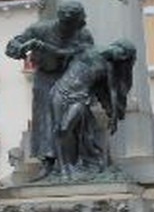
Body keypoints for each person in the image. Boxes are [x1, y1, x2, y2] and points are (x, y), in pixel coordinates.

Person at [5, 1, 94, 177]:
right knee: (44, 118)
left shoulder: (83, 34)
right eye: (66, 24)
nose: (69, 29)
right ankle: (47, 162)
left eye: (73, 25)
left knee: (68, 121)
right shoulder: (39, 29)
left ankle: (74, 161)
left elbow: (88, 58)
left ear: (79, 22)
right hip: (45, 76)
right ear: (60, 20)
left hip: (70, 77)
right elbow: (13, 47)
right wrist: (18, 48)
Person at [48, 40, 136, 179]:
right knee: (58, 130)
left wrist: (113, 117)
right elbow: (61, 53)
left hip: (79, 98)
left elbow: (112, 91)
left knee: (65, 128)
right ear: (117, 46)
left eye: (125, 57)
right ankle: (64, 168)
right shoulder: (86, 48)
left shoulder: (108, 68)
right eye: (123, 53)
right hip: (60, 91)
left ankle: (71, 165)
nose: (121, 58)